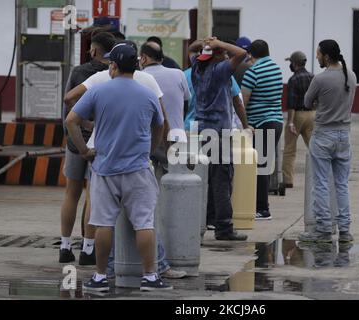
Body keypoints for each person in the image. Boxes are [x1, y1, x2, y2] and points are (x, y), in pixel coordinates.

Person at [66, 43, 172, 292]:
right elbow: (160, 125)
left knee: (104, 223)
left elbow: (72, 120)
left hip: (104, 169)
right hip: (138, 168)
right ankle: (150, 277)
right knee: (144, 223)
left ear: (113, 65)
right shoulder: (147, 94)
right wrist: (149, 150)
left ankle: (100, 277)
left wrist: (83, 150)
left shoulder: (99, 91)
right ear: (136, 65)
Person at [59, 32, 116, 265]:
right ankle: (87, 249)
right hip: (100, 143)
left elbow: (67, 101)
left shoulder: (79, 72)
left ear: (93, 50)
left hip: (75, 142)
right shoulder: (113, 74)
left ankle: (64, 247)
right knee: (93, 195)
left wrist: (80, 122)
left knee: (71, 193)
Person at [189, 37, 251, 241]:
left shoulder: (197, 68)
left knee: (206, 179)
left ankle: (206, 219)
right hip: (219, 133)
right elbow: (241, 54)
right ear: (216, 56)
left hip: (202, 131)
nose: (225, 55)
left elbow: (192, 49)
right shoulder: (219, 71)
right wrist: (220, 43)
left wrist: (207, 44)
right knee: (222, 180)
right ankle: (224, 227)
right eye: (222, 53)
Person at [298, 39, 357, 243]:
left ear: (326, 56)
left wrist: (319, 101)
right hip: (344, 135)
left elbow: (306, 102)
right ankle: (345, 230)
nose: (316, 57)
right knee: (341, 184)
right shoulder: (351, 75)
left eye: (318, 53)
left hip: (323, 134)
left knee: (321, 183)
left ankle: (323, 229)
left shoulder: (320, 79)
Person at [139, 42, 189, 279]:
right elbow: (186, 101)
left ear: (145, 58)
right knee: (180, 195)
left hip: (150, 142)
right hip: (176, 139)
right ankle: (178, 247)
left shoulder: (141, 77)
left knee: (151, 201)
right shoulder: (179, 73)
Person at [241, 39, 284, 221]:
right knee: (263, 165)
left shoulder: (253, 72)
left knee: (259, 167)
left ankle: (262, 209)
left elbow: (243, 100)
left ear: (250, 54)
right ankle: (260, 206)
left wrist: (243, 122)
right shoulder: (276, 68)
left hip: (260, 123)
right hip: (276, 121)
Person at [282, 51, 315, 188]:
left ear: (294, 64)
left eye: (291, 62)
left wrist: (290, 122)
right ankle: (319, 177)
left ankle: (288, 181)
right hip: (313, 114)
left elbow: (291, 103)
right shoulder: (313, 77)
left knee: (289, 150)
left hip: (297, 116)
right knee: (315, 148)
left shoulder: (293, 79)